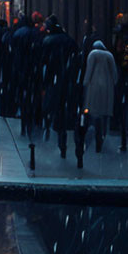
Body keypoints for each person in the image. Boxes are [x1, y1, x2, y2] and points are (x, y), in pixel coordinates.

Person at [75, 40, 118, 168]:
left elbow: (89, 71)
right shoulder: (109, 55)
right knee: (103, 113)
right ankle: (101, 137)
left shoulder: (93, 54)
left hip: (94, 86)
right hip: (107, 88)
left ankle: (93, 134)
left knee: (92, 111)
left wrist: (84, 83)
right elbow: (115, 75)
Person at [42, 16, 80, 158]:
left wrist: (45, 82)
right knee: (66, 110)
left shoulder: (48, 41)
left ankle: (59, 136)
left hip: (55, 81)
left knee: (55, 108)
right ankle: (66, 139)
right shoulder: (69, 41)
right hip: (68, 81)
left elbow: (44, 64)